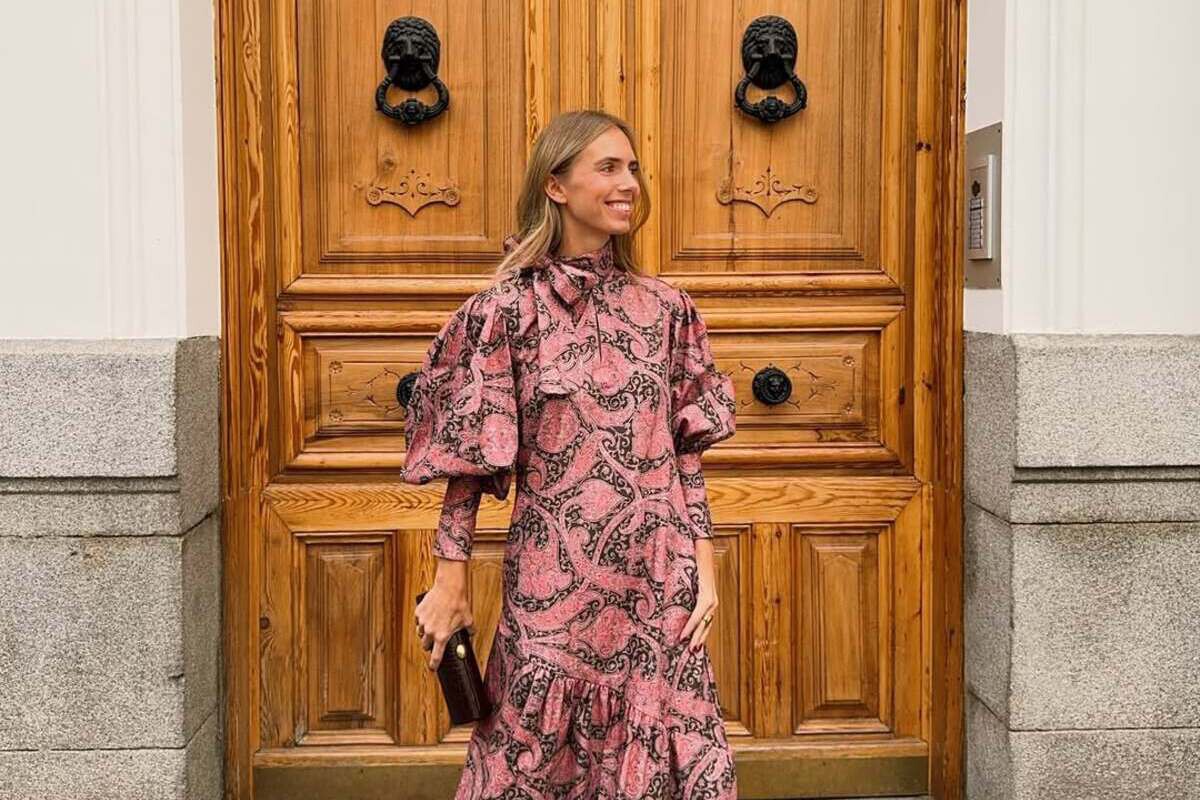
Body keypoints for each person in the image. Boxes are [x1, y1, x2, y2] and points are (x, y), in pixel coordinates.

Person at [403, 109, 738, 799]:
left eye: (633, 168)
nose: (629, 183)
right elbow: (469, 461)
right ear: (555, 186)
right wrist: (450, 577)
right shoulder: (506, 312)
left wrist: (703, 570)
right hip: (552, 583)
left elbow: (687, 455)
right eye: (608, 168)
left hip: (657, 581)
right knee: (534, 762)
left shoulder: (667, 310)